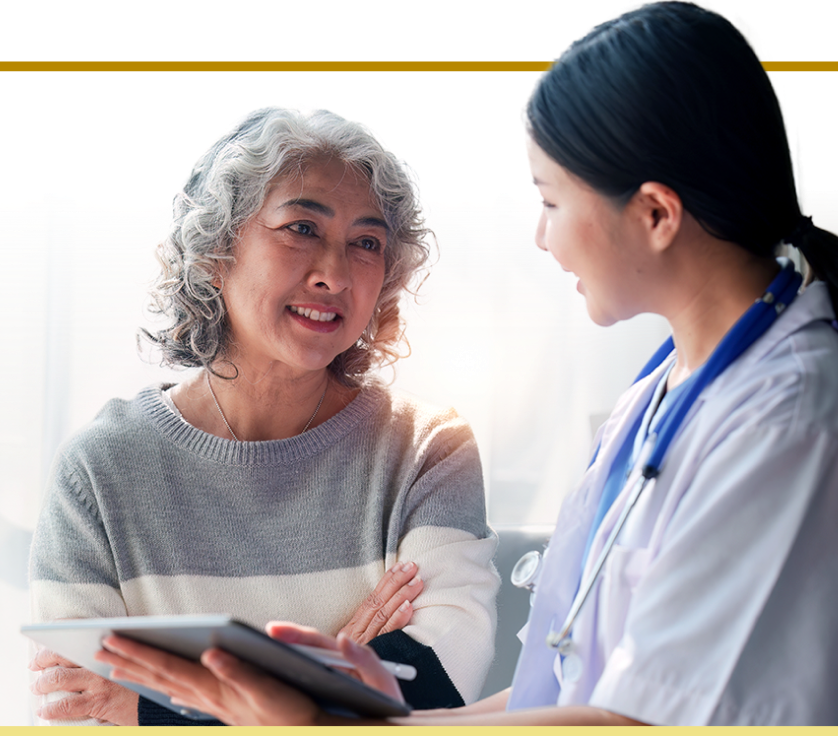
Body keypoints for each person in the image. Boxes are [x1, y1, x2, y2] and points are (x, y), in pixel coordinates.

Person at [93, 0, 838, 726]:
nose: (541, 235)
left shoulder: (797, 429)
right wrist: (389, 715)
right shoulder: (667, 394)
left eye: (550, 200)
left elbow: (653, 728)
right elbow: (576, 693)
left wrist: (336, 731)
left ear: (656, 214)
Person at [27, 100, 500, 726]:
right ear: (217, 246)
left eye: (366, 242)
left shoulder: (429, 449)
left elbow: (440, 678)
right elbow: (80, 709)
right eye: (301, 228)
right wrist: (340, 671)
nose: (334, 273)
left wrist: (163, 702)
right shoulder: (99, 471)